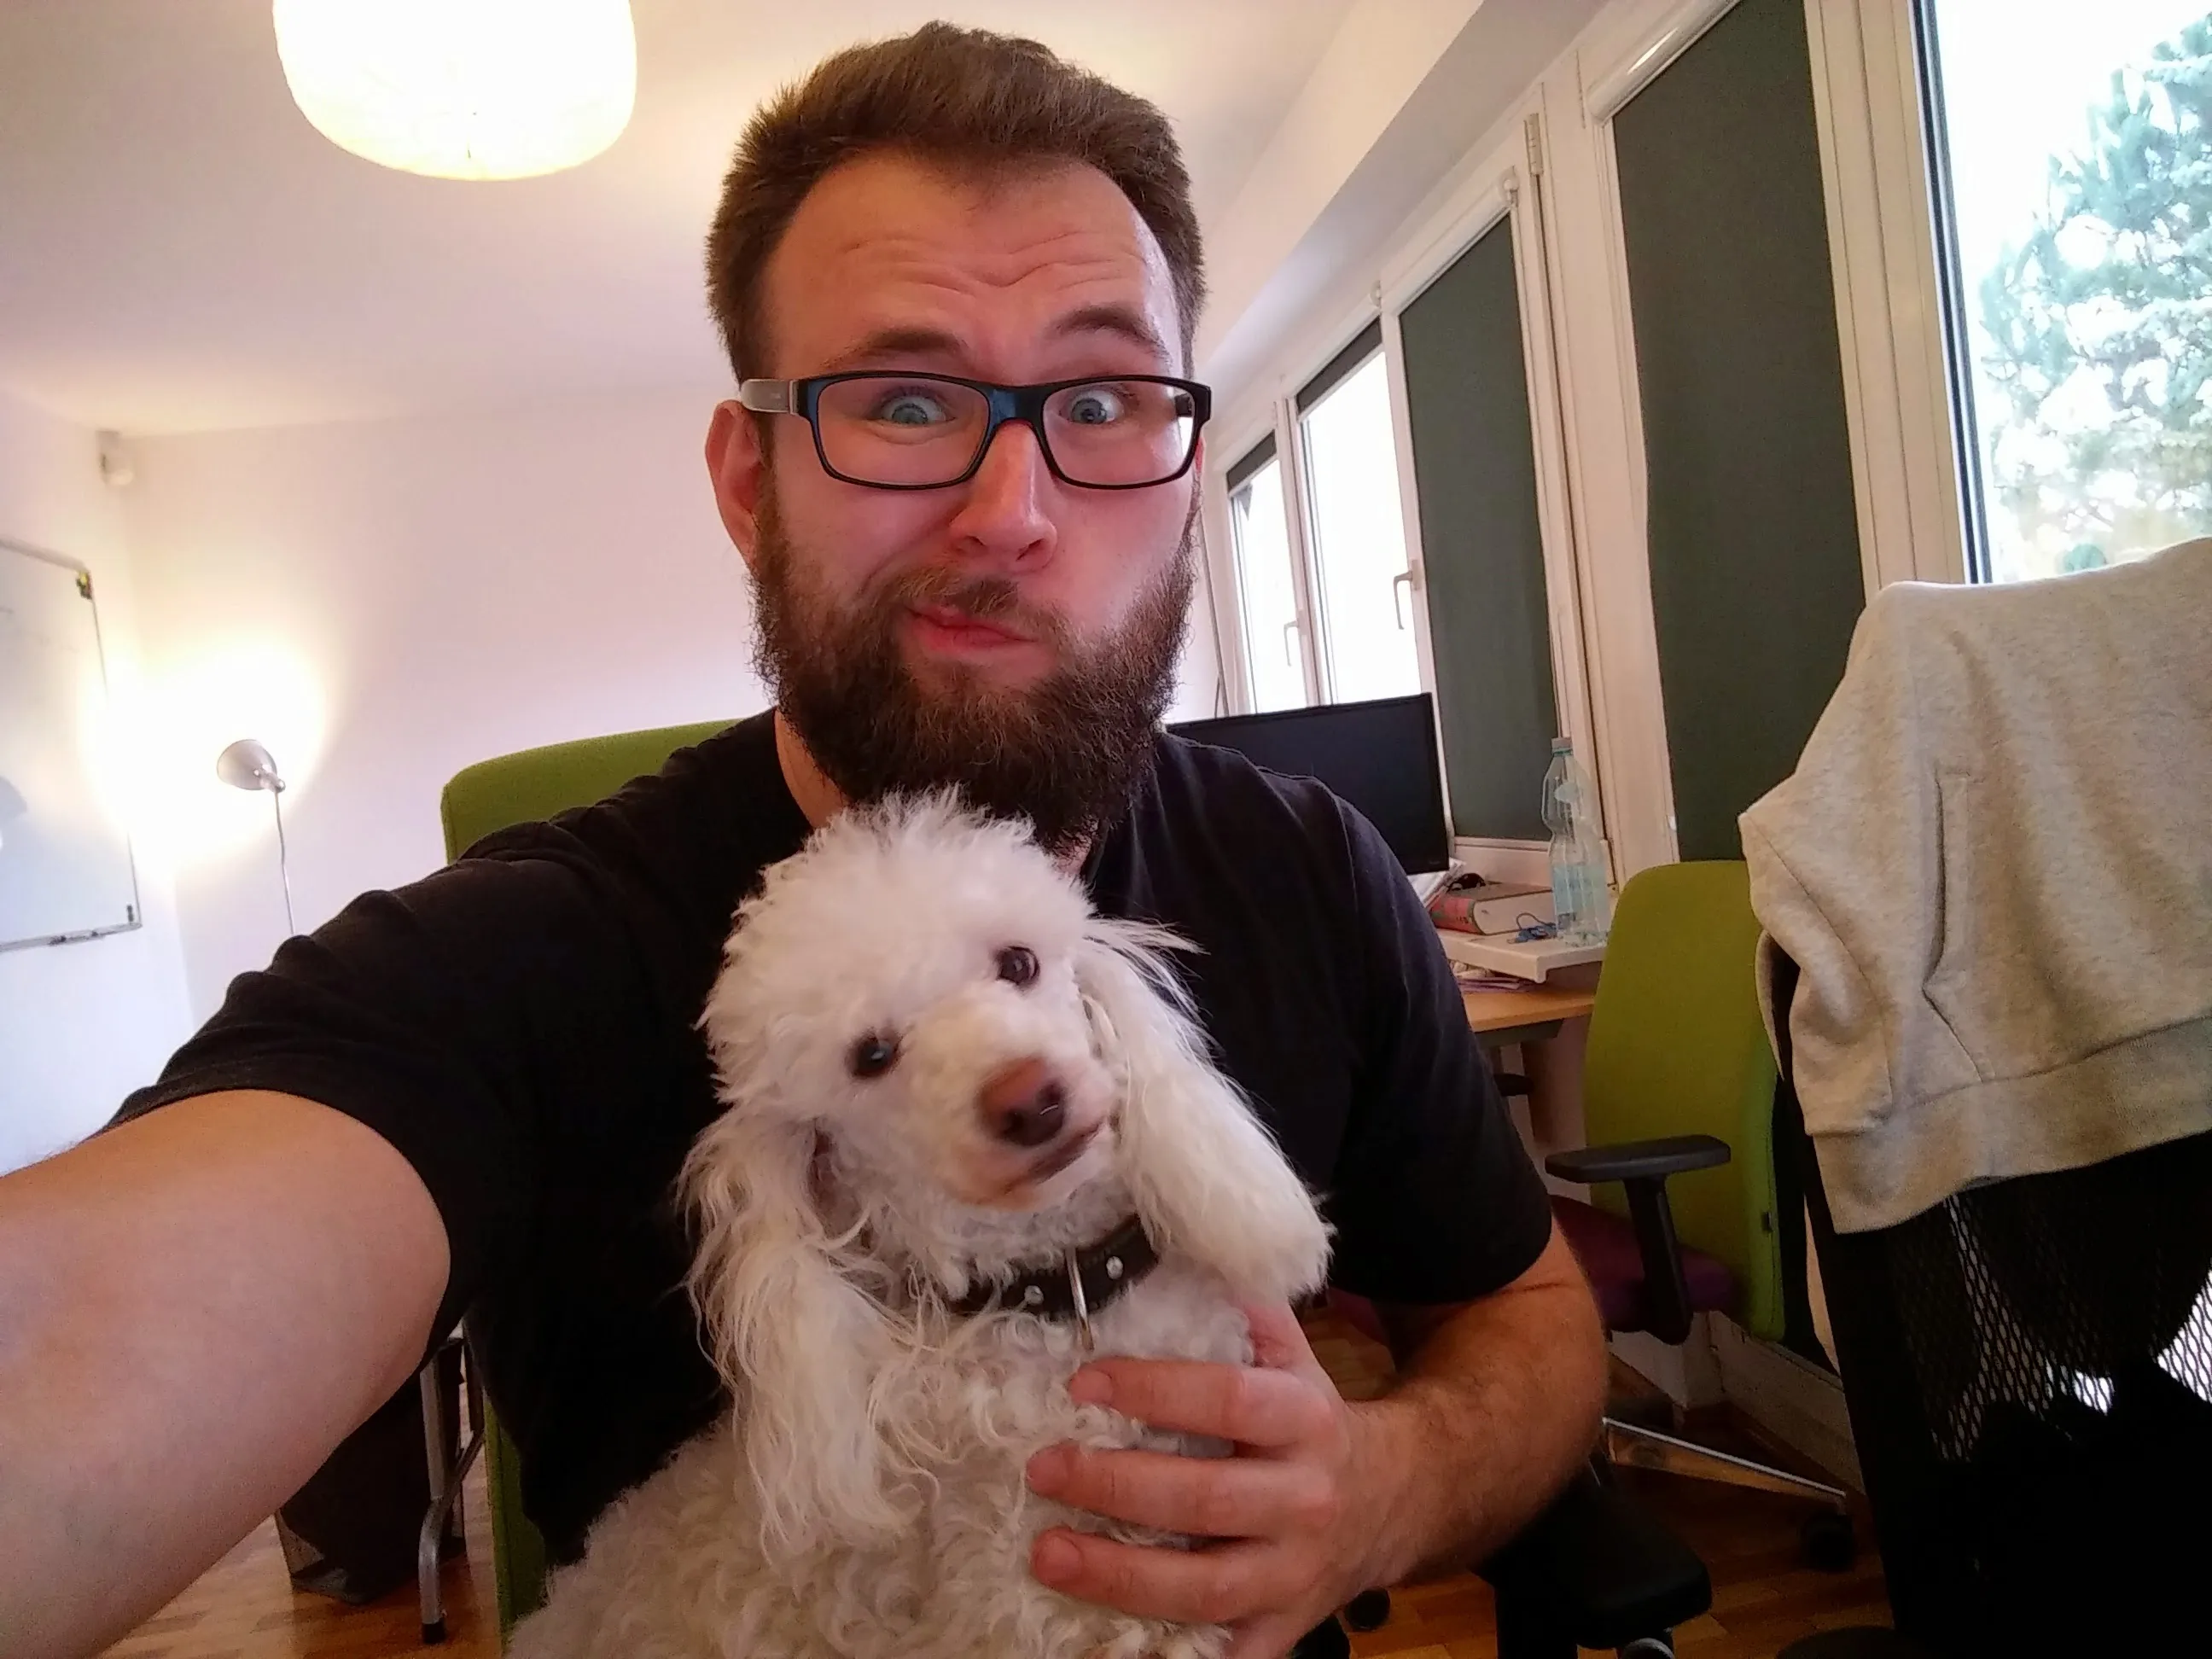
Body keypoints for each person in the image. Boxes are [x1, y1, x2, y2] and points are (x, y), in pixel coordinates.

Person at [0, 25, 1605, 1659]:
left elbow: (1529, 1324)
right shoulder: (526, 956)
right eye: (904, 401)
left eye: (1104, 398)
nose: (1011, 507)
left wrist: (1388, 1491)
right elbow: (79, 1335)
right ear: (749, 481)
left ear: (1185, 470)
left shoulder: (1316, 872)